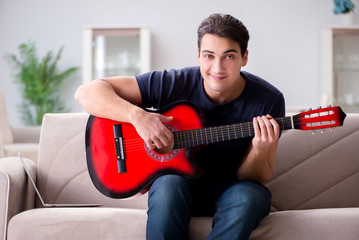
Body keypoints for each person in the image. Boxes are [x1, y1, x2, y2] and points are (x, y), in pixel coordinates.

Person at [75, 13, 285, 240]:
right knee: (167, 186)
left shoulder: (268, 101)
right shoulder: (174, 83)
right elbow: (86, 92)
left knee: (251, 195)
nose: (217, 68)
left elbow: (255, 176)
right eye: (209, 56)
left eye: (229, 57)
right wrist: (137, 116)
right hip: (176, 188)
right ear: (198, 56)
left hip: (231, 191)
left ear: (244, 58)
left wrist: (260, 148)